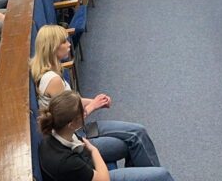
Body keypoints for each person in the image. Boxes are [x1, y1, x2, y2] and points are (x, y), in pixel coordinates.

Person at [31, 25, 162, 170]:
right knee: (132, 141)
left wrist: (94, 101)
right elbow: (70, 119)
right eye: (64, 42)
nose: (69, 44)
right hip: (75, 138)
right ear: (53, 48)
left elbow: (73, 103)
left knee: (139, 131)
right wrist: (94, 106)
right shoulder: (53, 80)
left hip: (77, 130)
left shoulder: (52, 72)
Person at [37, 91, 176, 181]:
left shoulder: (59, 130)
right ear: (72, 124)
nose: (85, 112)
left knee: (126, 144)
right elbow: (103, 179)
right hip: (97, 175)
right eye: (82, 112)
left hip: (85, 161)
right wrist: (94, 151)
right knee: (162, 175)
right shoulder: (65, 161)